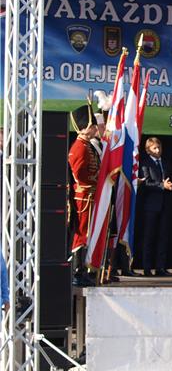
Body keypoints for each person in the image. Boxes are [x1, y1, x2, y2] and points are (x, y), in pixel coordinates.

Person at [67, 104, 100, 286]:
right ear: (85, 127)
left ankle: (82, 271)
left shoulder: (87, 145)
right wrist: (94, 179)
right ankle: (77, 272)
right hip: (83, 197)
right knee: (81, 235)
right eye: (93, 125)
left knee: (86, 234)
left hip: (89, 196)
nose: (95, 128)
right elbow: (78, 174)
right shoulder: (80, 147)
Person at [138, 137, 172, 277]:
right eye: (154, 148)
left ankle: (160, 267)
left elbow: (170, 177)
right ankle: (147, 268)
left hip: (165, 204)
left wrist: (170, 185)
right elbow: (146, 183)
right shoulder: (145, 163)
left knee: (163, 236)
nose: (158, 150)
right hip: (151, 206)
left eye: (159, 148)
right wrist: (161, 186)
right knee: (149, 236)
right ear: (148, 150)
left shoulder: (165, 163)